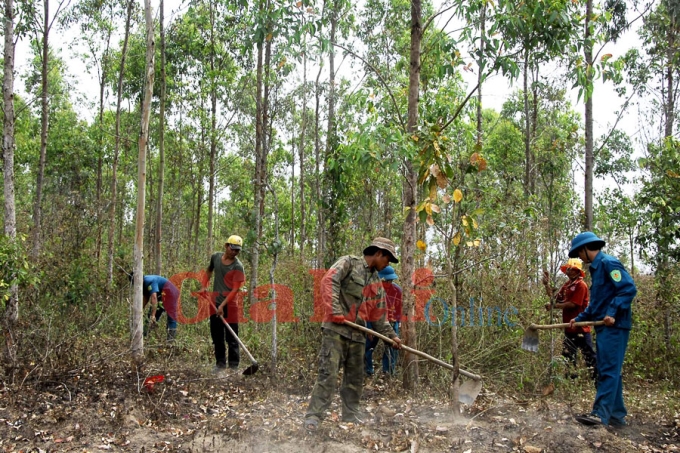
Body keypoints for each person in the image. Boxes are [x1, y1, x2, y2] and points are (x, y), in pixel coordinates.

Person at [304, 237, 403, 431]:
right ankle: (314, 417)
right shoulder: (349, 262)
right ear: (379, 253)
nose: (388, 264)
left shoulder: (376, 282)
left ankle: (350, 415)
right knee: (328, 375)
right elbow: (328, 281)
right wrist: (334, 310)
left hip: (358, 335)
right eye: (387, 259)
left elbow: (379, 316)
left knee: (355, 378)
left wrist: (392, 336)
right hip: (336, 330)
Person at [567, 232, 637, 427]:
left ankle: (600, 414)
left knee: (607, 369)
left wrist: (613, 312)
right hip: (603, 327)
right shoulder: (597, 270)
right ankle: (615, 415)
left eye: (579, 254)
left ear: (585, 249)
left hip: (615, 326)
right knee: (611, 369)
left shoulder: (608, 263)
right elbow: (596, 304)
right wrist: (579, 319)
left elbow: (628, 289)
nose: (579, 258)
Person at [542, 258, 596, 379]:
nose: (569, 271)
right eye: (568, 269)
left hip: (581, 328)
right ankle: (571, 379)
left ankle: (597, 379)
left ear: (577, 272)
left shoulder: (581, 285)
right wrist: (546, 285)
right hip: (568, 328)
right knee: (568, 356)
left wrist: (554, 306)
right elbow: (554, 298)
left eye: (571, 269)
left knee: (589, 356)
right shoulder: (566, 285)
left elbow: (573, 304)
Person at [202, 235, 246, 372]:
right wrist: (204, 285)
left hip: (230, 305)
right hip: (214, 302)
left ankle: (233, 366)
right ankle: (220, 364)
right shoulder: (215, 257)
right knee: (217, 335)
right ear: (226, 246)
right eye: (232, 249)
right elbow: (209, 270)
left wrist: (223, 305)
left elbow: (235, 289)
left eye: (237, 250)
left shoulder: (238, 266)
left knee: (232, 336)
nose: (234, 252)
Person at [365, 265, 402, 376]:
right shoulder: (372, 290)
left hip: (391, 322)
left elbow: (399, 308)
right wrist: (368, 327)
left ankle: (388, 371)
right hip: (373, 321)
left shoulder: (397, 291)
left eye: (391, 280)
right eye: (386, 280)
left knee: (392, 346)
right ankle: (367, 371)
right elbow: (366, 309)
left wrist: (397, 321)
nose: (389, 283)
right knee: (368, 346)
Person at [142, 275, 180, 342]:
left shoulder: (149, 281)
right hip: (161, 295)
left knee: (171, 318)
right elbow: (146, 297)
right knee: (150, 316)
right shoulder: (143, 284)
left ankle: (171, 342)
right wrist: (140, 310)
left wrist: (153, 315)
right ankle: (144, 338)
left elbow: (154, 297)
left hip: (171, 294)